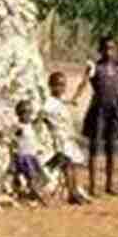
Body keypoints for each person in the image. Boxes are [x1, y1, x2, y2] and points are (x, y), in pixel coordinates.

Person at [73, 35, 118, 196]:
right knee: (95, 148)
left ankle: (109, 184)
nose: (108, 52)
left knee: (112, 148)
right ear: (100, 50)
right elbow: (83, 83)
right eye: (105, 48)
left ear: (116, 51)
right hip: (98, 111)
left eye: (112, 48)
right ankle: (93, 185)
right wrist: (75, 98)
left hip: (114, 112)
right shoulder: (95, 68)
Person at [40, 71, 89, 205]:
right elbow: (41, 118)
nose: (60, 88)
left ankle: (75, 189)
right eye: (57, 85)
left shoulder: (60, 100)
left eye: (63, 85)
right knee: (67, 163)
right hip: (59, 137)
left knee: (74, 164)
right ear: (50, 86)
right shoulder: (48, 104)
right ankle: (72, 191)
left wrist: (86, 77)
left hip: (68, 136)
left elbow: (75, 97)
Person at [9, 99, 49, 206]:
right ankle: (40, 199)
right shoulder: (19, 127)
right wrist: (13, 158)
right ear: (19, 114)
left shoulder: (30, 125)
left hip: (32, 156)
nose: (27, 116)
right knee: (31, 178)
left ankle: (30, 194)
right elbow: (12, 140)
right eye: (24, 113)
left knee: (43, 178)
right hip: (24, 156)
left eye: (29, 113)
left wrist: (42, 116)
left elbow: (38, 121)